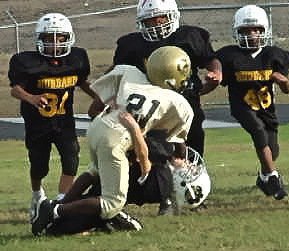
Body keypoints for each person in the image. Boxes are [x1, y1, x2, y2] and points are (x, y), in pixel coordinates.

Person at [31, 45, 195, 236]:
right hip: (118, 137)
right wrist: (182, 160)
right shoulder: (178, 103)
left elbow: (95, 106)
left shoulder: (129, 72)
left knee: (94, 170)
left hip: (100, 125)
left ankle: (60, 205)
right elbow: (173, 142)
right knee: (112, 203)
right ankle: (53, 210)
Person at [43, 115, 211, 236]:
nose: (190, 165)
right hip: (116, 176)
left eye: (191, 172)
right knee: (94, 173)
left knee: (80, 217)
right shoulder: (165, 172)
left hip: (113, 188)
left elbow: (145, 164)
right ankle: (61, 207)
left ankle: (56, 211)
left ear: (184, 184)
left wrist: (135, 130)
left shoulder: (163, 183)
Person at [102, 0, 222, 157]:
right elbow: (118, 70)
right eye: (149, 21)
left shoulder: (188, 37)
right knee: (156, 151)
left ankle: (192, 176)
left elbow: (210, 59)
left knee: (193, 144)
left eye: (161, 19)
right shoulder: (132, 45)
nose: (156, 25)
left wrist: (216, 72)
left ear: (173, 16)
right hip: (151, 106)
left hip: (186, 100)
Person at [8, 13, 97, 223]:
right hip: (37, 122)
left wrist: (99, 98)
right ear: (40, 39)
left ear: (69, 38)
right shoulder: (26, 62)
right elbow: (15, 89)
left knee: (71, 157)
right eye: (49, 38)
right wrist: (31, 98)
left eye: (60, 38)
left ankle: (62, 201)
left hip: (64, 120)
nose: (55, 43)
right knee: (39, 165)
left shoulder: (77, 59)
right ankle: (37, 195)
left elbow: (82, 82)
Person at [215, 5, 289, 200]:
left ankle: (264, 176)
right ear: (237, 32)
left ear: (264, 31)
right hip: (242, 106)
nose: (252, 34)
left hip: (266, 108)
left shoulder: (273, 55)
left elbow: (287, 89)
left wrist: (284, 82)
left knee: (272, 149)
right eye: (246, 31)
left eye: (256, 30)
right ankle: (274, 179)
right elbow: (216, 81)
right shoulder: (229, 56)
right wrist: (205, 86)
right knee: (258, 131)